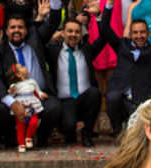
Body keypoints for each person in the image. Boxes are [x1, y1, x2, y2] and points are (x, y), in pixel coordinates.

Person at [98, 0, 151, 137]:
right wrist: (110, 4)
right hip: (119, 93)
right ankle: (118, 132)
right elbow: (105, 29)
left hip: (141, 97)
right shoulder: (122, 46)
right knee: (112, 99)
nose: (139, 36)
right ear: (131, 34)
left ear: (148, 34)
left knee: (139, 130)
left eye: (142, 33)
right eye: (136, 33)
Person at [0, 0, 63, 149]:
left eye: (20, 27)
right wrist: (13, 103)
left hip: (39, 94)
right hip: (16, 96)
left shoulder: (36, 38)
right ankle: (12, 139)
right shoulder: (0, 51)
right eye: (13, 27)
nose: (17, 30)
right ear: (6, 31)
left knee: (55, 108)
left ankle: (41, 137)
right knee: (0, 109)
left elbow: (53, 23)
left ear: (26, 30)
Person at [45, 8, 107, 147]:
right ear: (63, 33)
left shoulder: (86, 51)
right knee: (68, 126)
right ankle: (68, 131)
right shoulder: (53, 52)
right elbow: (39, 41)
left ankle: (87, 133)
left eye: (77, 32)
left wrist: (98, 16)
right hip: (65, 101)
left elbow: (104, 37)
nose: (73, 35)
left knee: (95, 93)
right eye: (70, 31)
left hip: (85, 98)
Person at [71, 0, 123, 92]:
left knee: (112, 87)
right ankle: (98, 115)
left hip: (111, 40)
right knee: (96, 85)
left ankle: (113, 114)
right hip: (95, 42)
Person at [6, 64, 48, 153]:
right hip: (21, 107)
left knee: (34, 122)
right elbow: (11, 94)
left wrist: (41, 95)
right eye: (21, 67)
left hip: (32, 106)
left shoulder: (32, 82)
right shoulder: (15, 85)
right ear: (18, 74)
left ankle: (28, 136)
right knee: (20, 126)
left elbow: (37, 90)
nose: (25, 66)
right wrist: (11, 91)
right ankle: (21, 144)